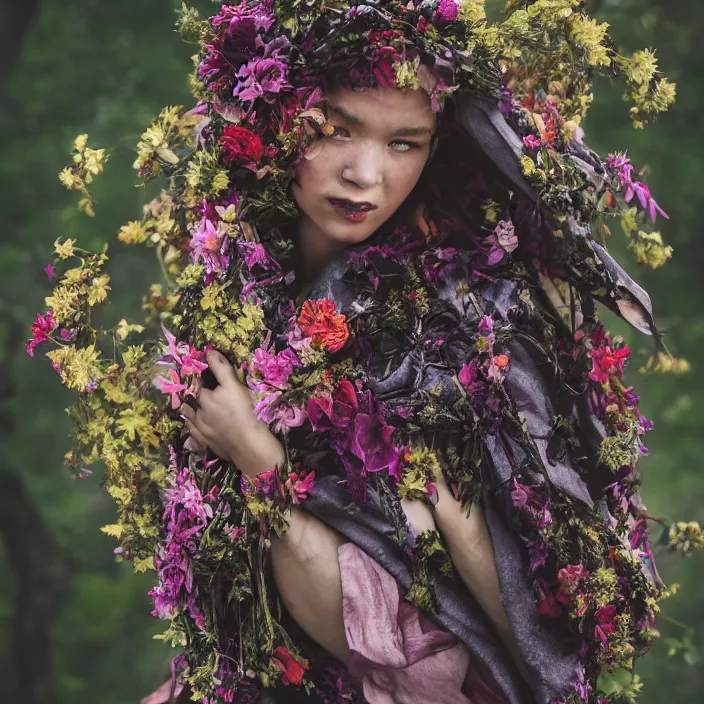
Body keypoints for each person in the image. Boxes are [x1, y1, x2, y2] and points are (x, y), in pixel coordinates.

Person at [33, 2, 685, 704]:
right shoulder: (233, 297)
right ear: (276, 124)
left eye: (405, 143)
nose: (365, 175)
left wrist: (258, 459)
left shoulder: (457, 335)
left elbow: (414, 640)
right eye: (336, 129)